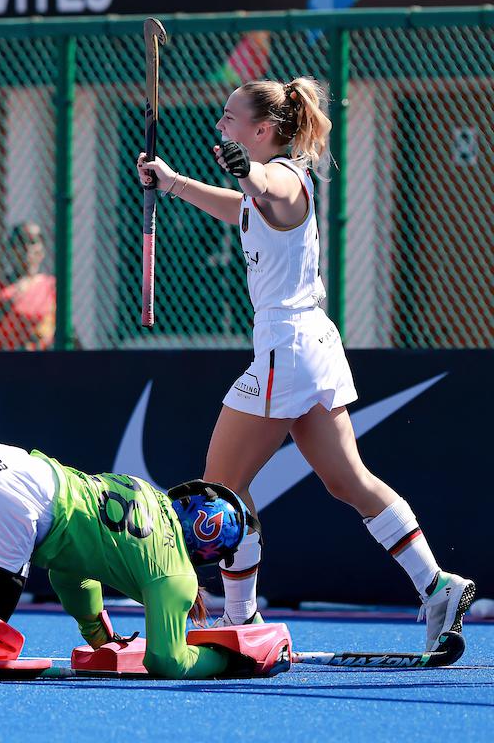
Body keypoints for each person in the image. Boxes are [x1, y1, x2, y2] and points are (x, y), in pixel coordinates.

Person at [134, 77, 474, 649]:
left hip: (287, 349)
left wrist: (246, 170)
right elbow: (243, 205)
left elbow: (263, 188)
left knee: (219, 492)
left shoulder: (285, 178)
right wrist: (172, 184)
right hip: (311, 347)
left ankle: (237, 622)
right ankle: (436, 583)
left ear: (262, 130)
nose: (220, 125)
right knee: (348, 481)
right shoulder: (266, 188)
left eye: (229, 117)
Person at [0, 442, 277, 679]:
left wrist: (99, 638)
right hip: (12, 502)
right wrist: (228, 661)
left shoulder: (141, 488)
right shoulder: (177, 575)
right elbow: (166, 660)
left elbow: (72, 573)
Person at [0, 222, 56, 350]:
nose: (27, 248)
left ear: (42, 250)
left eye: (33, 242)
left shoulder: (52, 287)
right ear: (10, 249)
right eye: (20, 242)